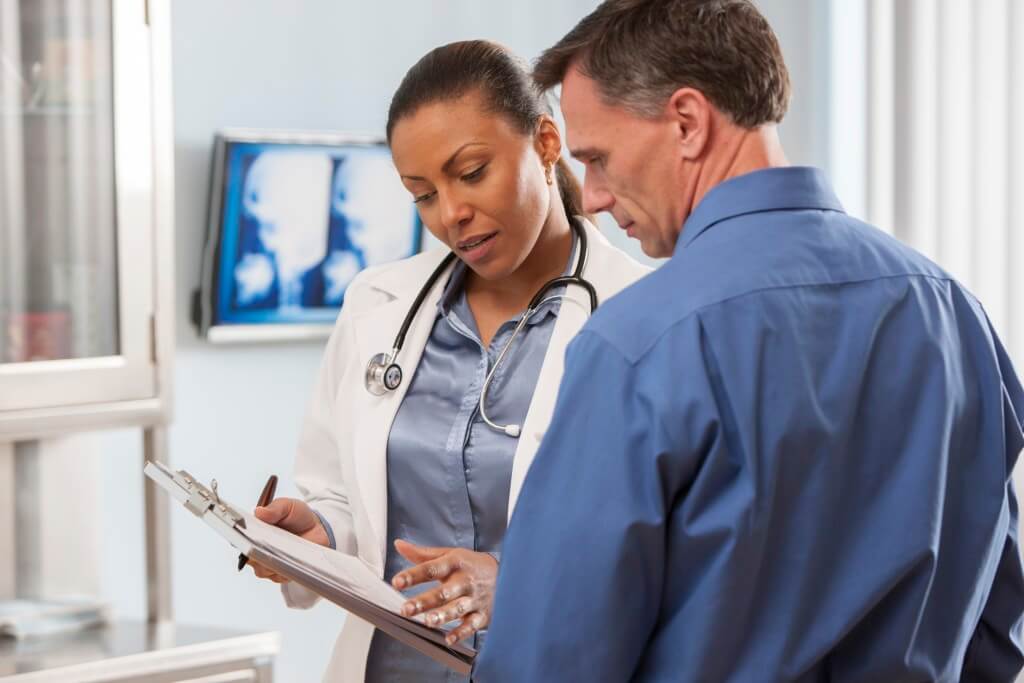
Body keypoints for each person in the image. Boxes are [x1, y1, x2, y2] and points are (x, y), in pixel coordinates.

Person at [474, 1, 1024, 681]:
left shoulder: (640, 345)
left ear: (686, 122)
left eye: (598, 158)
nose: (591, 198)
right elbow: (996, 628)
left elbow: (550, 661)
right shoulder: (952, 313)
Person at [248, 40, 650, 682]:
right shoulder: (376, 305)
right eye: (422, 194)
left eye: (470, 172)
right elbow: (346, 499)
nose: (451, 213)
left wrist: (516, 583)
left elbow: (669, 549)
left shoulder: (641, 315)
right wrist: (319, 535)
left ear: (547, 143)